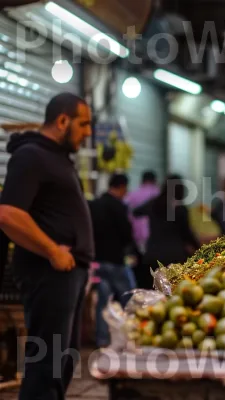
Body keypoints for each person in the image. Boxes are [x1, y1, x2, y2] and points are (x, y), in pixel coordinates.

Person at [0, 93, 93, 400]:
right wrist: (53, 250)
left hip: (68, 273)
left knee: (63, 359)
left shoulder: (56, 158)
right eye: (84, 124)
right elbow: (8, 214)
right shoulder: (31, 156)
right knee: (47, 362)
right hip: (49, 272)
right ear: (62, 121)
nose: (88, 132)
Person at [89, 173, 134, 348]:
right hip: (115, 261)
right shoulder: (119, 207)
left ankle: (102, 340)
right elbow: (127, 234)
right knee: (129, 300)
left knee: (103, 301)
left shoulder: (95, 204)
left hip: (97, 261)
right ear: (122, 187)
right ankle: (133, 337)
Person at [134, 174, 200, 289]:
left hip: (153, 256)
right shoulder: (180, 209)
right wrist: (199, 249)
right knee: (172, 293)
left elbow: (136, 212)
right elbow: (187, 234)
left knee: (154, 294)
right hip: (174, 257)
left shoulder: (153, 203)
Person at [125, 171, 160, 254]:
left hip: (137, 236)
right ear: (155, 181)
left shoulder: (133, 194)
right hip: (155, 237)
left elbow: (127, 212)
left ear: (142, 180)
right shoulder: (159, 194)